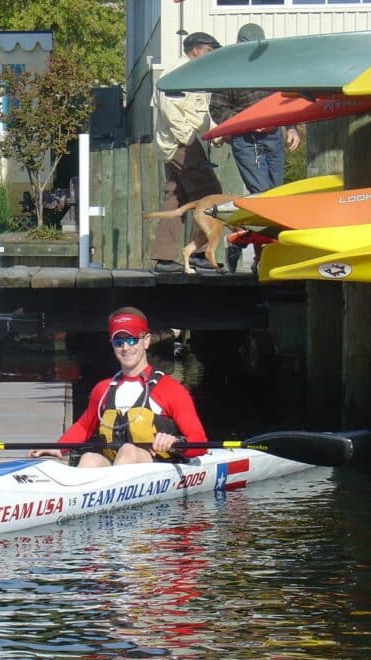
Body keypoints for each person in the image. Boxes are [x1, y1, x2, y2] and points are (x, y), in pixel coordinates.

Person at [28, 307, 208, 467]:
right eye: (118, 342)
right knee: (89, 458)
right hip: (117, 467)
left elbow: (199, 440)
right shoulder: (103, 389)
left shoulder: (170, 389)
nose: (125, 348)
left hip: (157, 465)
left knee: (128, 450)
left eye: (131, 340)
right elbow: (84, 426)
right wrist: (59, 448)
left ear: (146, 341)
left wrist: (176, 442)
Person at [210, 23, 301, 271]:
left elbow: (285, 100)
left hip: (272, 137)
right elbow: (217, 110)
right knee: (262, 197)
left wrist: (292, 127)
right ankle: (259, 256)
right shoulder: (228, 73)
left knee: (277, 196)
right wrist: (248, 123)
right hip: (246, 140)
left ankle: (250, 246)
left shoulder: (272, 69)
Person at [149, 31, 224, 274]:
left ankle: (164, 258)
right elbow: (171, 111)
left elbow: (199, 114)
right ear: (195, 50)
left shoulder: (195, 75)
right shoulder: (177, 73)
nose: (212, 56)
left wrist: (216, 132)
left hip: (179, 144)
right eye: (209, 51)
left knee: (176, 197)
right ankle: (201, 252)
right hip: (181, 144)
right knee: (210, 195)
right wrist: (189, 141)